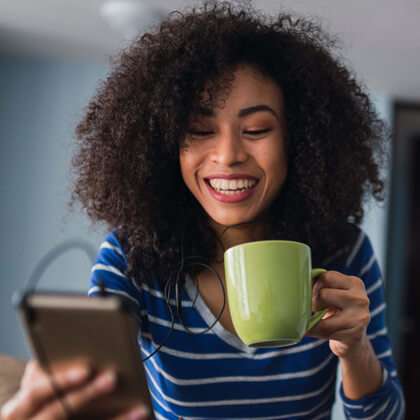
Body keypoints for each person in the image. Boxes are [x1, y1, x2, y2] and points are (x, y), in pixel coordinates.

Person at [1, 1, 405, 419]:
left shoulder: (344, 253)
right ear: (167, 145)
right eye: (199, 130)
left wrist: (355, 349)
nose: (228, 155)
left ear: (299, 142)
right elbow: (96, 396)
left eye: (256, 130)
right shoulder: (132, 258)